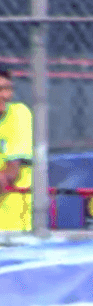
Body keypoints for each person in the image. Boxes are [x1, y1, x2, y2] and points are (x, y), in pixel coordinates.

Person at [0, 67, 33, 232]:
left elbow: (9, 175)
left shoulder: (19, 114)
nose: (5, 96)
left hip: (13, 231)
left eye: (7, 89)